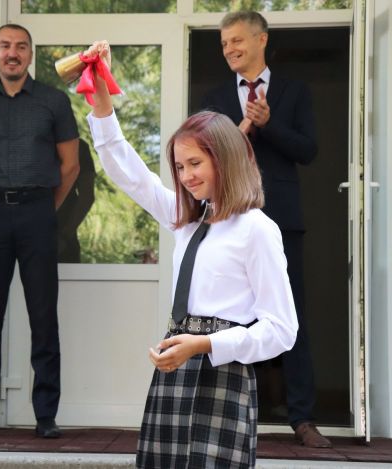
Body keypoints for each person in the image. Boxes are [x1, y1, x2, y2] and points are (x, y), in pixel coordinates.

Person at [84, 40, 298, 468]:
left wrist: (205, 344)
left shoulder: (257, 229)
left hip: (224, 372)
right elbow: (131, 175)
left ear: (225, 159)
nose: (185, 176)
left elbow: (281, 330)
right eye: (180, 167)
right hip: (176, 367)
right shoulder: (187, 218)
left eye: (195, 164)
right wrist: (102, 99)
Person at [201, 11, 329, 448]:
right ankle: (237, 416)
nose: (229, 49)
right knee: (236, 318)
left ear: (261, 40)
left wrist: (269, 123)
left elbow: (308, 150)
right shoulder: (215, 96)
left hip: (283, 220)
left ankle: (303, 418)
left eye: (237, 40)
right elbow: (208, 155)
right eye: (224, 44)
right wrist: (243, 127)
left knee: (291, 317)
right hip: (232, 222)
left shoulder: (295, 91)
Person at [0, 23, 79, 439]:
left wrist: (43, 208)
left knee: (43, 317)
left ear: (30, 55)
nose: (13, 53)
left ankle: (45, 415)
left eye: (21, 47)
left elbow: (70, 166)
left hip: (38, 214)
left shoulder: (54, 102)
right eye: (5, 46)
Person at [56, 139, 95, 263]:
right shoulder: (78, 146)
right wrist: (65, 236)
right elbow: (87, 196)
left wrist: (64, 236)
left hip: (61, 243)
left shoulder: (78, 147)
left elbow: (87, 196)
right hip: (62, 241)